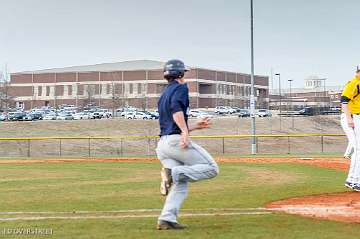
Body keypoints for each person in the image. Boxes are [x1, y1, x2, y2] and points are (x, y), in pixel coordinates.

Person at [155, 59, 219, 230]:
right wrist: (184, 132)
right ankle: (171, 173)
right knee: (211, 168)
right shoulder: (181, 88)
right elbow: (176, 110)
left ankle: (166, 219)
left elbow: (171, 123)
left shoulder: (165, 93)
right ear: (180, 74)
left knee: (181, 183)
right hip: (175, 142)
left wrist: (194, 127)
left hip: (163, 145)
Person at [341, 66, 360, 191]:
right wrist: (349, 119)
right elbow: (344, 101)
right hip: (352, 118)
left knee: (358, 149)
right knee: (358, 148)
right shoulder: (354, 83)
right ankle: (354, 181)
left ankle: (352, 180)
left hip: (355, 117)